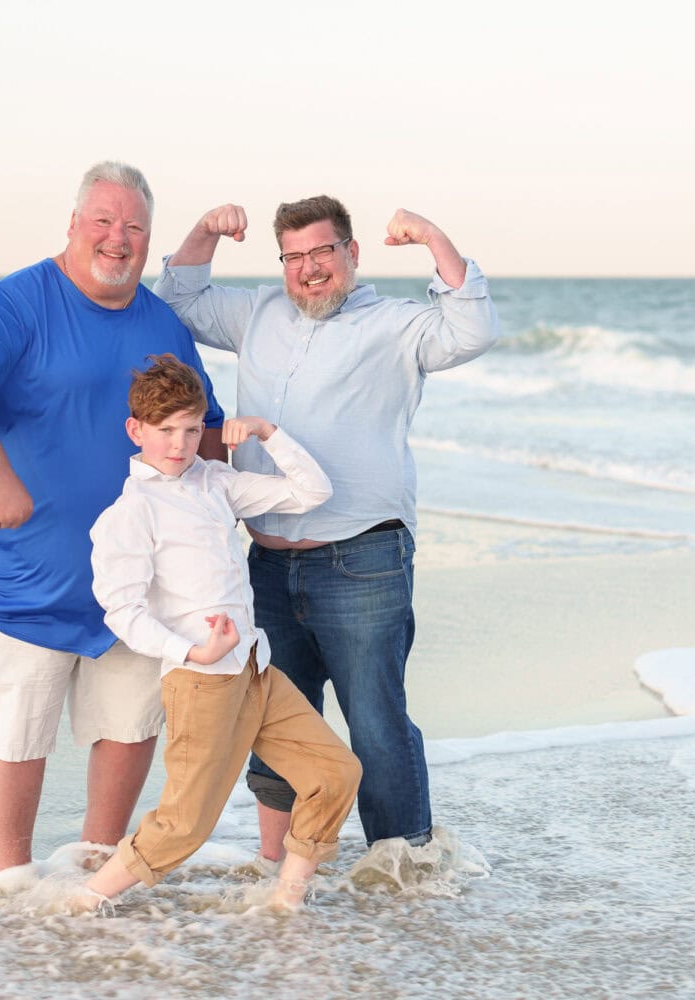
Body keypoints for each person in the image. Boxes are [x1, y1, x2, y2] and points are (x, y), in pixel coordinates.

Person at [153, 195, 500, 866]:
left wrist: (430, 235)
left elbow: (474, 327)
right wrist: (205, 230)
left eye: (322, 253)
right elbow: (178, 298)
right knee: (274, 715)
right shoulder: (258, 313)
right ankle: (280, 868)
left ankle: (404, 869)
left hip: (362, 559)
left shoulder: (398, 325)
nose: (309, 270)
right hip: (267, 564)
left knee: (374, 722)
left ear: (351, 254)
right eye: (295, 257)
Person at [0, 162, 225, 875]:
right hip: (21, 571)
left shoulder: (161, 323)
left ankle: (98, 871)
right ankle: (9, 886)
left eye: (134, 228)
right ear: (73, 226)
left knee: (129, 723)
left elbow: (201, 429)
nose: (118, 240)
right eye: (103, 223)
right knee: (15, 730)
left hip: (135, 574)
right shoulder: (20, 302)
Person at [70, 354, 360, 912]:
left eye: (188, 429)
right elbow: (121, 611)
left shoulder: (216, 482)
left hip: (255, 668)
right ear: (136, 430)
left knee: (334, 772)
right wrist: (193, 651)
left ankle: (286, 902)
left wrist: (267, 433)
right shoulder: (129, 513)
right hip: (201, 680)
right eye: (164, 431)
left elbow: (310, 492)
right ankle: (81, 903)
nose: (178, 444)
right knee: (184, 826)